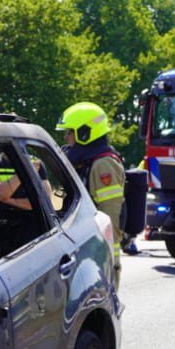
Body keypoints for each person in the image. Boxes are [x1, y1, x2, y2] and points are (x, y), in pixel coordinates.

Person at [57, 102, 129, 259]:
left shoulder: (104, 165)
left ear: (84, 133)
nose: (66, 137)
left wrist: (108, 258)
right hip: (85, 244)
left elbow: (110, 216)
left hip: (100, 253)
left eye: (69, 132)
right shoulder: (86, 162)